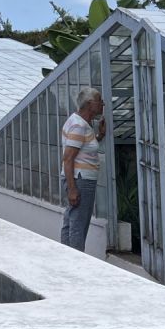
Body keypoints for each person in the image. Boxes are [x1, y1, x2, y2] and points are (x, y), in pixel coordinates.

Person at [59, 86, 105, 253]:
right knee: (79, 222)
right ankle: (76, 260)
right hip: (81, 179)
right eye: (100, 101)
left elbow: (82, 148)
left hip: (78, 178)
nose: (103, 105)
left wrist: (99, 136)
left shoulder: (79, 123)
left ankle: (66, 255)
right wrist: (72, 189)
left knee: (72, 219)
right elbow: (68, 157)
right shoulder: (79, 126)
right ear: (90, 104)